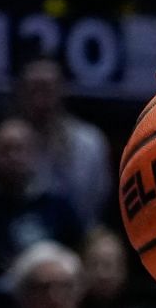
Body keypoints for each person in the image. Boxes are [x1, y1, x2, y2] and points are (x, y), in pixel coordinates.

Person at [0, 116, 83, 280]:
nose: (13, 156)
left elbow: (77, 254)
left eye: (20, 148)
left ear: (35, 153)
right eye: (6, 149)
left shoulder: (58, 207)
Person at [13, 57, 111, 225]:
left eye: (47, 88)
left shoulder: (89, 141)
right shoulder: (9, 142)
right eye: (34, 89)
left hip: (80, 236)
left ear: (62, 89)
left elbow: (98, 202)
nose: (40, 98)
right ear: (21, 92)